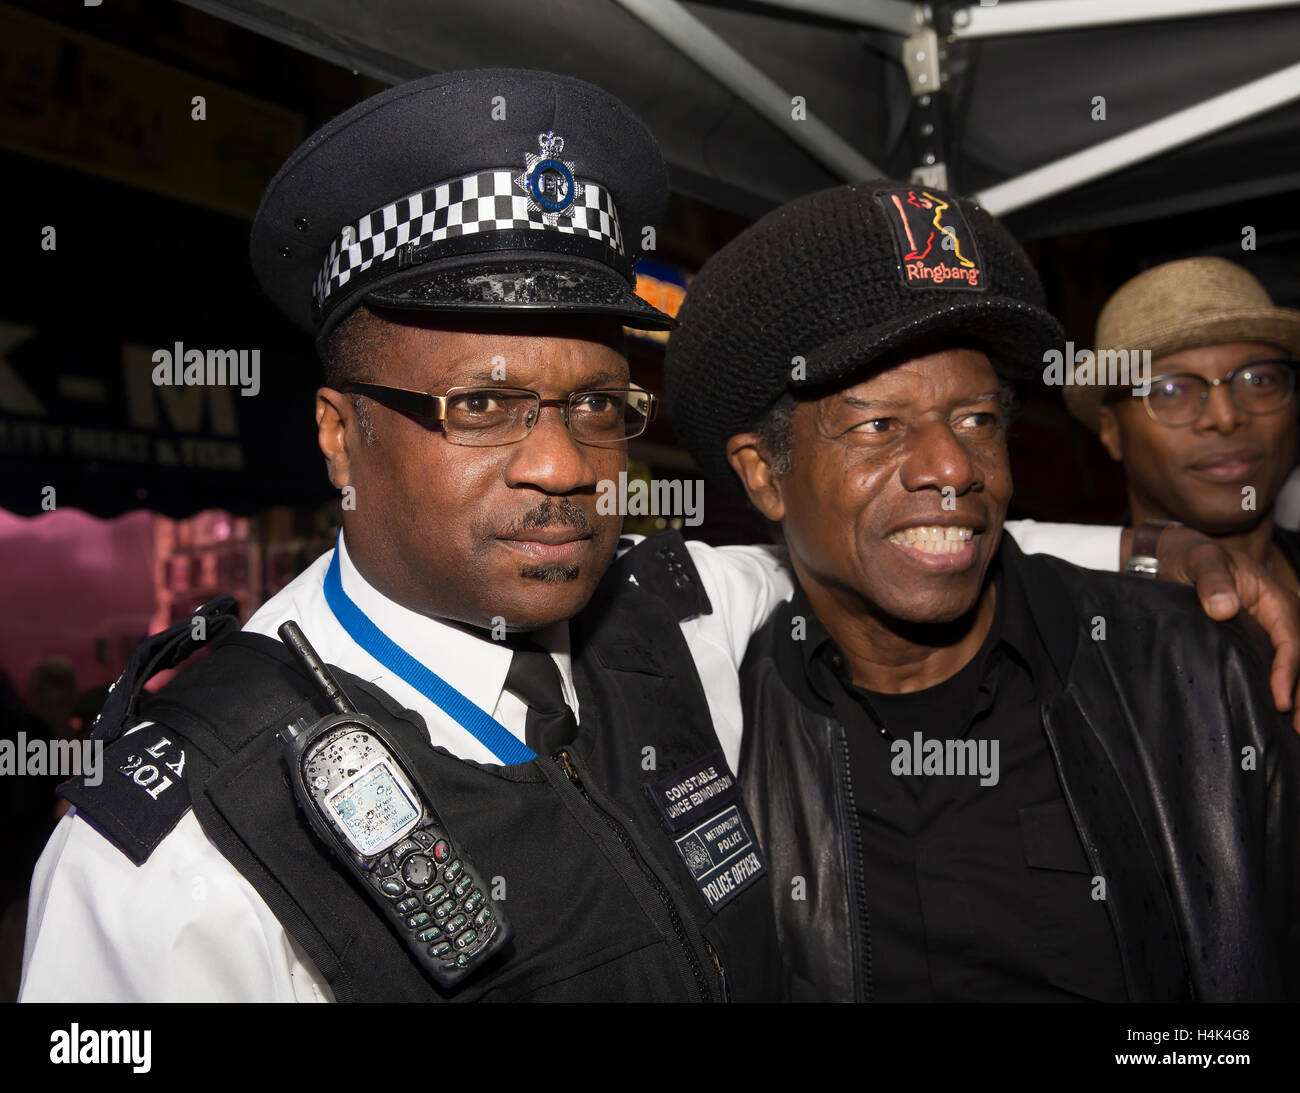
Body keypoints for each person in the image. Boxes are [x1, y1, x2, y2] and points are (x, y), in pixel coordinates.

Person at [17, 75, 1300, 1003]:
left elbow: (919, 531)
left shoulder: (671, 620)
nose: (567, 465)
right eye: (481, 406)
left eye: (593, 405)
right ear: (341, 436)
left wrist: (1180, 554)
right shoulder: (185, 845)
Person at [663, 181, 1300, 1001]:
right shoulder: (719, 725)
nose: (952, 466)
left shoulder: (1193, 671)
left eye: (975, 419)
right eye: (879, 426)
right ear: (764, 474)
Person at [1065, 257, 1300, 592]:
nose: (1225, 417)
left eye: (1258, 380)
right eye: (1170, 390)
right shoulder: (1071, 625)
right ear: (1112, 431)